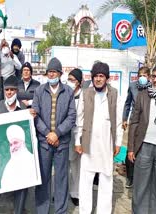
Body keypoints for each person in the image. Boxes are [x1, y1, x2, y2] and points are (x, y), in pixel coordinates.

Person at [75, 61, 123, 214]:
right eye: (96, 76)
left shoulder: (114, 94)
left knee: (106, 179)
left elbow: (118, 120)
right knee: (86, 180)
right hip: (88, 143)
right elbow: (79, 119)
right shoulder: (86, 93)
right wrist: (77, 141)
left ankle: (104, 211)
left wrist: (118, 143)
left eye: (101, 76)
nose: (98, 79)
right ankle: (85, 211)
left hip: (106, 143)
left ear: (107, 78)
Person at [32, 57, 76, 214]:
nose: (51, 75)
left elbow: (71, 117)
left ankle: (60, 210)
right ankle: (42, 210)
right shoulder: (39, 91)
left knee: (61, 179)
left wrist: (56, 134)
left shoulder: (68, 92)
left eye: (54, 72)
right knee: (43, 178)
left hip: (61, 143)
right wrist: (47, 134)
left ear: (60, 73)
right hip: (44, 143)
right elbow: (35, 115)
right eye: (49, 72)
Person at [128, 64, 156, 214]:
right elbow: (134, 121)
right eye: (153, 76)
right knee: (140, 186)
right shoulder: (144, 95)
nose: (154, 80)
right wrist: (130, 148)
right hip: (144, 146)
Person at [0, 75, 28, 214]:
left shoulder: (23, 108)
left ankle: (19, 210)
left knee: (24, 181)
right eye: (7, 90)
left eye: (12, 89)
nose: (10, 92)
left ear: (17, 91)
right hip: (1, 152)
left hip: (17, 153)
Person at [122, 66, 150, 188]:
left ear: (148, 77)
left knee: (144, 148)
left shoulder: (152, 88)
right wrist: (124, 118)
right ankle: (130, 177)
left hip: (147, 121)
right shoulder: (133, 86)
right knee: (131, 148)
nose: (142, 78)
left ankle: (143, 178)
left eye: (144, 75)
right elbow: (127, 103)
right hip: (134, 121)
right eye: (140, 75)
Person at [1, 124, 37, 190]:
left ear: (23, 143)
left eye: (15, 143)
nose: (13, 147)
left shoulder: (32, 161)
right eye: (11, 145)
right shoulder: (9, 166)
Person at [66, 68, 83, 207]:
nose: (70, 82)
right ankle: (61, 192)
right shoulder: (65, 93)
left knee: (76, 166)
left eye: (73, 80)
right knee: (63, 166)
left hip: (78, 135)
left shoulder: (84, 96)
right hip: (65, 134)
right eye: (69, 79)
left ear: (79, 82)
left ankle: (75, 193)